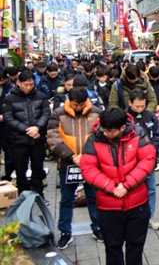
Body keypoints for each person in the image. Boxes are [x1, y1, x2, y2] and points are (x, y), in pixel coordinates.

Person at [80, 107, 156, 265]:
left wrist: (127, 185)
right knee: (112, 248)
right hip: (109, 207)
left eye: (111, 131)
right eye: (104, 129)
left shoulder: (138, 133)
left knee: (135, 247)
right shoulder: (94, 140)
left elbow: (148, 160)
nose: (106, 134)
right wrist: (112, 187)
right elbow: (88, 169)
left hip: (138, 205)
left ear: (123, 127)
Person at [47, 87, 103, 249]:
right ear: (69, 101)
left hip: (91, 164)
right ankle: (65, 231)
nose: (78, 107)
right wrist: (71, 155)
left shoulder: (96, 112)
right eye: (74, 104)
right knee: (66, 199)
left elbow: (100, 135)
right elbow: (53, 138)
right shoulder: (58, 114)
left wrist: (86, 155)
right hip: (67, 164)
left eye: (80, 104)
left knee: (93, 197)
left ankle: (97, 227)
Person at [1, 70, 51, 197]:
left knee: (37, 168)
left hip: (38, 138)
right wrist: (27, 130)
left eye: (31, 84)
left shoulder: (40, 96)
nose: (29, 87)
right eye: (26, 84)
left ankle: (39, 193)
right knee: (20, 169)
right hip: (18, 140)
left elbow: (46, 114)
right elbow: (9, 118)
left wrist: (38, 128)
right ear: (18, 83)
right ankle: (22, 195)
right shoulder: (10, 98)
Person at [126, 88, 159, 231]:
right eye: (137, 106)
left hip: (148, 160)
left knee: (151, 189)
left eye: (143, 105)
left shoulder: (150, 116)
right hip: (131, 162)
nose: (140, 109)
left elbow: (158, 136)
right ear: (130, 103)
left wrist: (151, 151)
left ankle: (150, 216)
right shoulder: (124, 118)